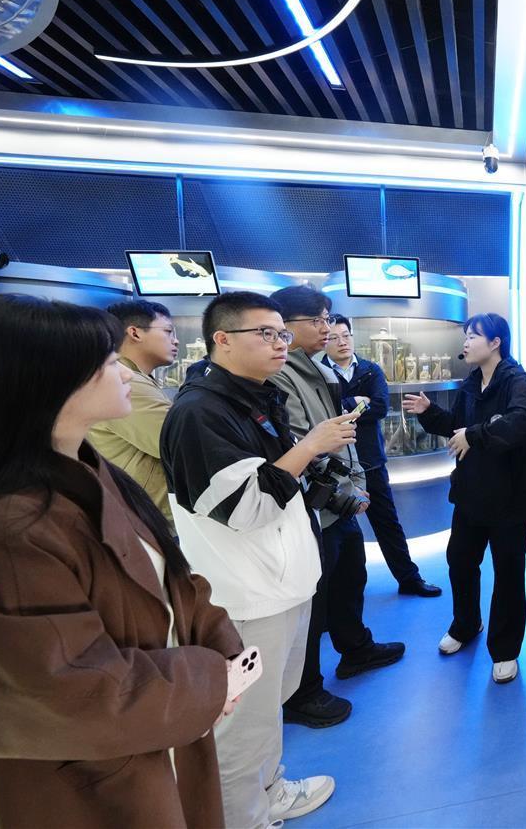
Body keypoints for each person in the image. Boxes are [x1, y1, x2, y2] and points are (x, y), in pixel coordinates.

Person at [0, 295, 242, 827]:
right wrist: (209, 680)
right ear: (40, 382)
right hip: (80, 790)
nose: (123, 373)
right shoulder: (2, 533)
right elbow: (64, 692)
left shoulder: (89, 472)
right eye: (107, 363)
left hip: (149, 744)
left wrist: (222, 647)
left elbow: (170, 580)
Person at [161, 291, 352, 828]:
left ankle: (267, 791)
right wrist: (311, 446)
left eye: (281, 333)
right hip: (245, 598)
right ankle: (241, 817)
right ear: (221, 339)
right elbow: (246, 507)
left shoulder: (253, 398)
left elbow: (277, 483)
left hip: (282, 584)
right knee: (241, 725)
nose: (279, 343)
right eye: (264, 333)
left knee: (270, 706)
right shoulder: (199, 413)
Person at [268, 288, 404, 722]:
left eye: (328, 320)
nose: (328, 329)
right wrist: (342, 489)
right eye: (317, 321)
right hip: (313, 507)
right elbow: (299, 443)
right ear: (286, 327)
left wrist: (355, 485)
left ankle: (356, 649)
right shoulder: (280, 376)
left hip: (341, 501)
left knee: (350, 578)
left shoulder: (320, 369)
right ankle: (302, 691)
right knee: (313, 600)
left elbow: (344, 434)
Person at [402, 312, 526, 685]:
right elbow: (456, 427)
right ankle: (466, 624)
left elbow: (523, 423)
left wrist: (474, 435)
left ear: (495, 342)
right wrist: (430, 413)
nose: (466, 341)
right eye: (465, 335)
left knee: (508, 575)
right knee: (460, 562)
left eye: (474, 335)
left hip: (509, 502)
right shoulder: (471, 383)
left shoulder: (515, 380)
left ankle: (505, 649)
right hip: (470, 495)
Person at [322, 314, 441, 597]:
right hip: (333, 463)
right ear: (324, 341)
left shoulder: (370, 370)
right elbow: (324, 412)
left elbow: (380, 407)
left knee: (387, 523)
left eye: (346, 336)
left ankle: (409, 579)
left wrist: (345, 407)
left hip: (370, 460)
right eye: (334, 337)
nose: (342, 342)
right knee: (336, 530)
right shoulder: (319, 373)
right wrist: (356, 402)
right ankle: (337, 595)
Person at [88, 299, 179, 525]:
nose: (175, 340)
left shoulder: (137, 379)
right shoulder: (130, 384)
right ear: (135, 333)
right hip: (146, 519)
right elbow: (181, 443)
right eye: (168, 331)